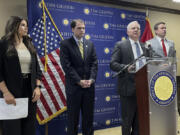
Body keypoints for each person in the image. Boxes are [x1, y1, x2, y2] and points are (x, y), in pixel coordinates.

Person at [0, 16, 42, 135]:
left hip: (29, 91)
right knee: (12, 129)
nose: (26, 27)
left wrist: (38, 87)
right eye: (23, 25)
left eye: (26, 25)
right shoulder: (3, 44)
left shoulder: (29, 43)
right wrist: (6, 92)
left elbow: (37, 69)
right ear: (14, 26)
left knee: (29, 128)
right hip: (11, 90)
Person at [60, 19, 98, 135]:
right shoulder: (65, 44)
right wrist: (79, 81)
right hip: (74, 88)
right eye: (79, 28)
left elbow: (94, 64)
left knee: (88, 119)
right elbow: (67, 66)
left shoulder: (90, 44)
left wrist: (91, 79)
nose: (82, 30)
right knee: (73, 119)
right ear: (72, 29)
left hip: (89, 88)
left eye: (83, 28)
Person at [110, 21, 147, 135]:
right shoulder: (121, 45)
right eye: (133, 28)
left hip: (143, 90)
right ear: (127, 31)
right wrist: (126, 67)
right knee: (127, 120)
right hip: (128, 89)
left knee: (139, 122)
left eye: (138, 28)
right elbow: (113, 64)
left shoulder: (144, 46)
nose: (136, 30)